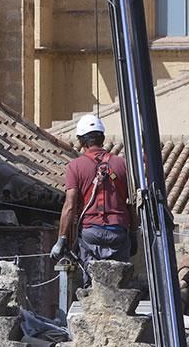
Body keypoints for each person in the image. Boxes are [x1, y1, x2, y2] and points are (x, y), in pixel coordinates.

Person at [50, 114, 135, 282]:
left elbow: (69, 206)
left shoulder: (75, 166)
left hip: (90, 234)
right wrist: (133, 233)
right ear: (102, 138)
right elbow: (131, 202)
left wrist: (62, 239)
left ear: (82, 141)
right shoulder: (122, 164)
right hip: (118, 232)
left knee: (92, 282)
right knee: (119, 282)